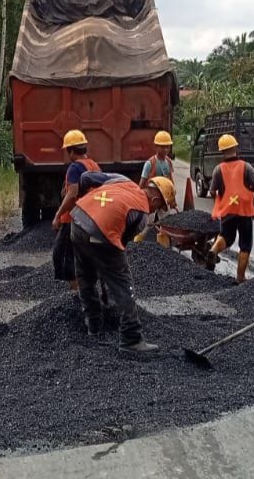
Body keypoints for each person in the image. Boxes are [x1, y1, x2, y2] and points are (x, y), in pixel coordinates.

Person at [70, 172, 174, 352]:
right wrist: (109, 276)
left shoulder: (123, 180)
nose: (156, 211)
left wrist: (88, 203)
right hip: (99, 231)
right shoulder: (141, 214)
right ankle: (131, 338)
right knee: (123, 284)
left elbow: (86, 177)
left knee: (85, 277)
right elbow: (117, 251)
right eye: (160, 207)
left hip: (78, 220)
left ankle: (93, 327)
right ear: (155, 199)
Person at [207, 134, 254, 284]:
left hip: (228, 210)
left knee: (226, 236)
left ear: (222, 151)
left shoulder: (218, 169)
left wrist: (220, 201)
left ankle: (213, 251)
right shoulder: (246, 166)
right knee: (245, 244)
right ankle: (240, 277)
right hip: (244, 210)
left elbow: (212, 191)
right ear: (235, 148)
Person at [51, 130, 100, 292]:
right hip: (90, 217)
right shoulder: (94, 165)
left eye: (67, 150)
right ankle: (86, 289)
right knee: (81, 255)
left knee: (63, 255)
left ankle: (76, 294)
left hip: (73, 218)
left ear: (71, 150)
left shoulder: (75, 167)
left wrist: (58, 216)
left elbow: (72, 194)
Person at [138, 131, 177, 209]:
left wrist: (173, 200)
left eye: (167, 147)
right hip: (152, 201)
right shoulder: (150, 163)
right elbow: (141, 184)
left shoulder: (168, 162)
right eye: (162, 147)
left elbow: (170, 181)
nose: (166, 150)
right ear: (156, 147)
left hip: (164, 201)